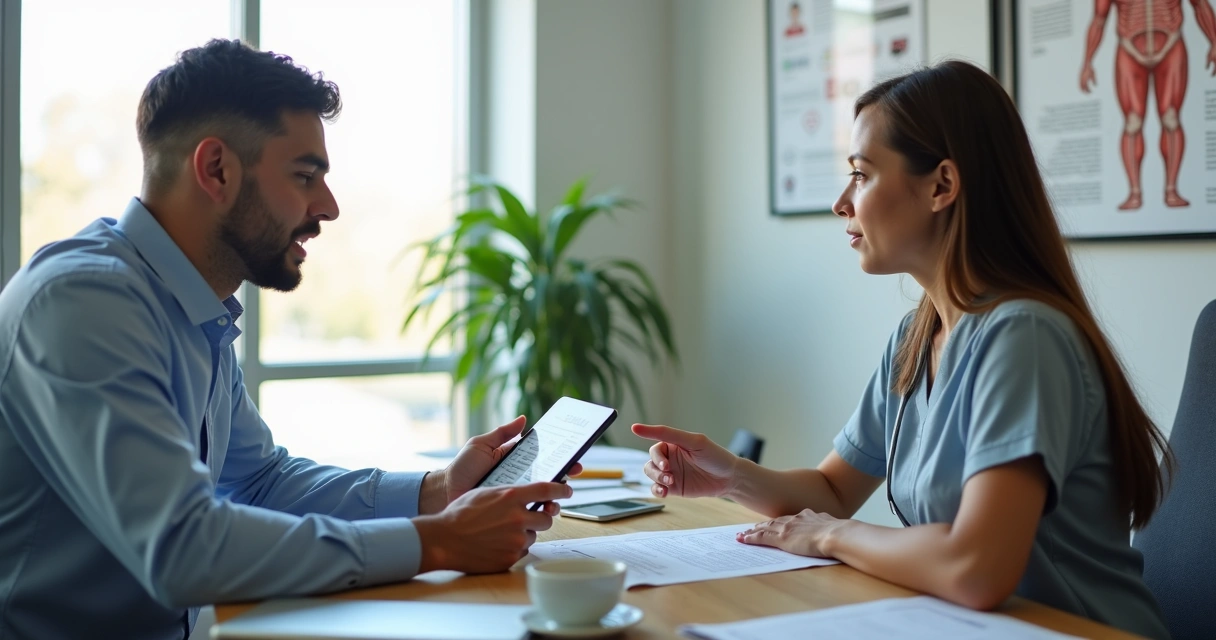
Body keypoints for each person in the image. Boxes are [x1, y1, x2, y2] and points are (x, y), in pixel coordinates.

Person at [0, 39, 573, 640]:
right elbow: (183, 549)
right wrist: (438, 542)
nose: (329, 207)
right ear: (216, 169)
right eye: (305, 176)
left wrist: (438, 492)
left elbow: (258, 482)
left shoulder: (192, 308)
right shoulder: (84, 302)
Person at [634, 60, 1173, 640]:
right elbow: (834, 491)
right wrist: (731, 476)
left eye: (861, 175)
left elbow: (976, 568)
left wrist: (830, 535)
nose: (842, 202)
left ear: (941, 186)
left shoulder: (1025, 338)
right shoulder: (916, 338)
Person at [1078, 0, 1216, 210]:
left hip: (1171, 45)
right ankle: (1135, 193)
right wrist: (1087, 61)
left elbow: (1200, 5)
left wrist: (1214, 41)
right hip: (1129, 50)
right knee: (1132, 122)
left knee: (1170, 118)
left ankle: (1171, 190)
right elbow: (1099, 18)